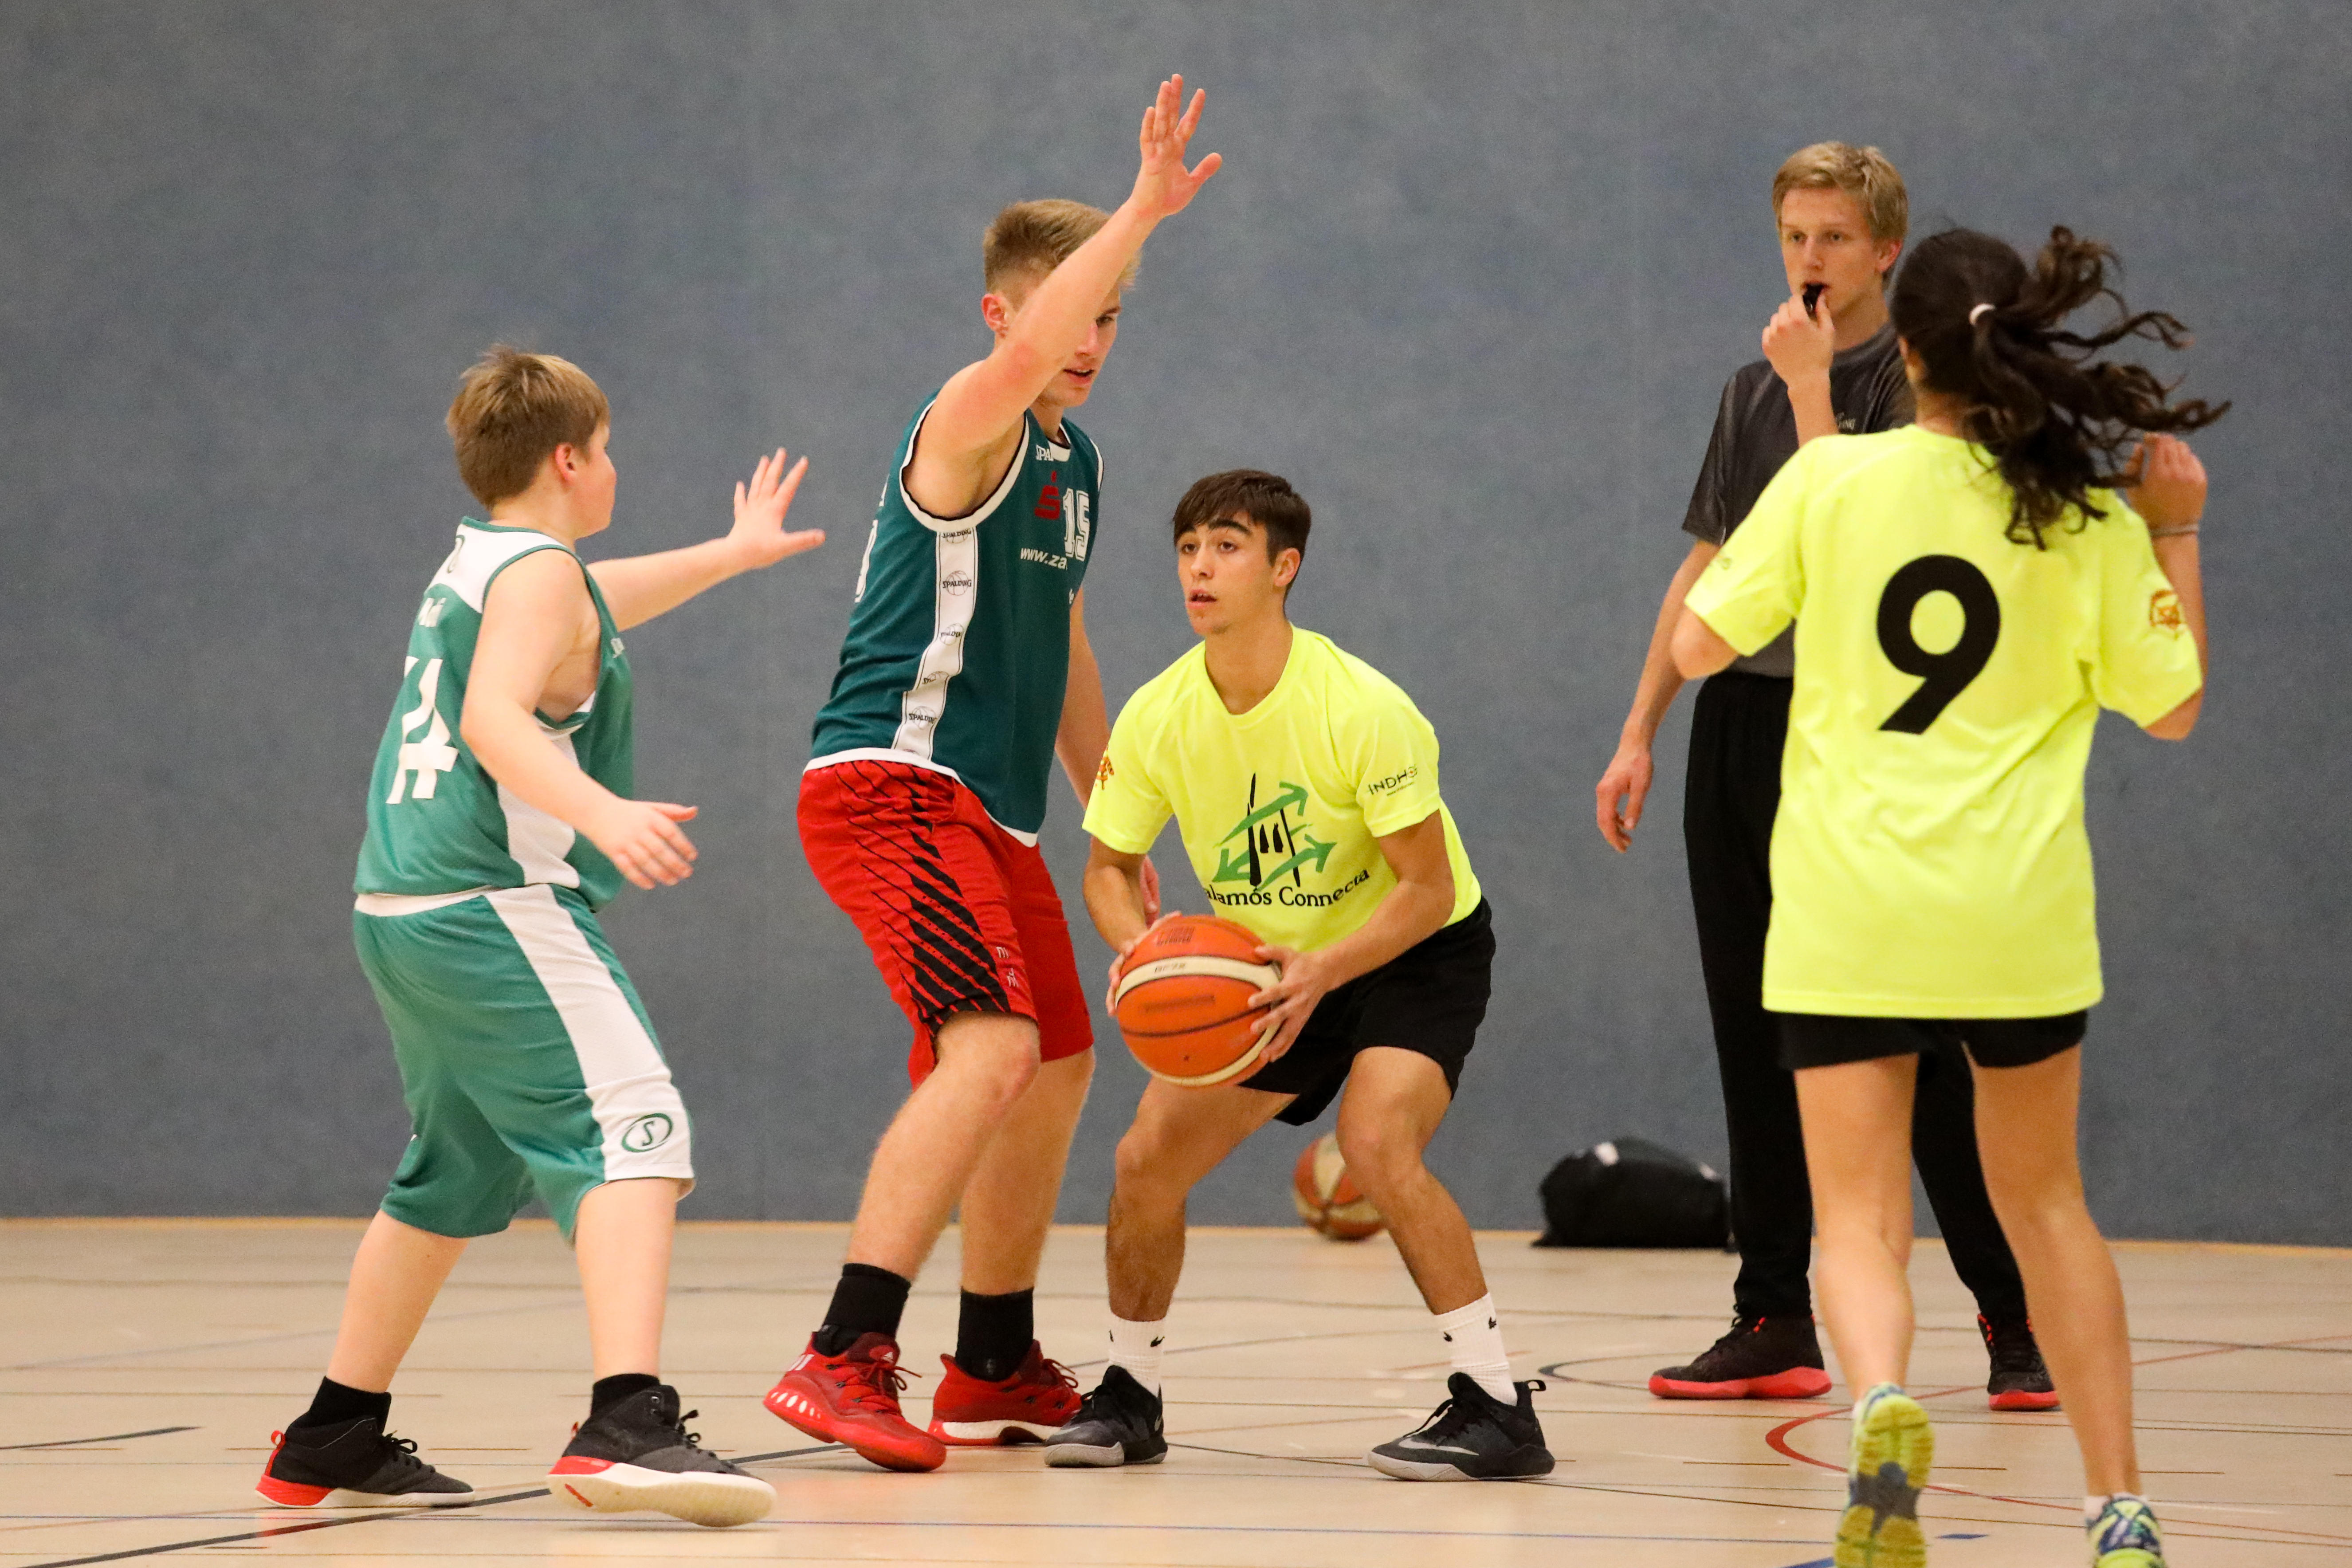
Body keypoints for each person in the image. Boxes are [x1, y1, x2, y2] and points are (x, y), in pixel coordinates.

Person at [1670, 226, 2218, 1568]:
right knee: (2049, 1207)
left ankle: (1883, 1422)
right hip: (2015, 910)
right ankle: (2121, 1512)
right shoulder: (2084, 516)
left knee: (1858, 1217)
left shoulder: (1829, 481)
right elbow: (2173, 708)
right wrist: (2178, 533)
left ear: (1901, 350)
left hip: (1848, 904)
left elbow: (1697, 643)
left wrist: (1806, 456)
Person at [257, 347, 825, 1528]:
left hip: (401, 908)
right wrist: (602, 810)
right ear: (568, 459)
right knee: (635, 1129)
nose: (615, 466)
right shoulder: (539, 576)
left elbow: (591, 605)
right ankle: (627, 1420)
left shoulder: (493, 560)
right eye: (606, 449)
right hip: (489, 902)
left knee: (453, 1170)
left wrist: (731, 554)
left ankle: (335, 1427)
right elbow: (493, 718)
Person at [765, 76, 1217, 1473]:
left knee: (1060, 1060)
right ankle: (842, 1354)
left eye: (1114, 317)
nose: (1092, 340)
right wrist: (1141, 211)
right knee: (994, 1049)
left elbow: (1063, 635)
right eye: (1073, 312)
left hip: (994, 817)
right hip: (892, 787)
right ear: (1002, 317)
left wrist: (1112, 811)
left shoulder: (1078, 465)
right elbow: (1025, 359)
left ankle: (991, 1359)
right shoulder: (968, 420)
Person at [1594, 143, 2055, 1409]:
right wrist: (1641, 726)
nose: (1810, 259)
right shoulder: (1753, 386)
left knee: (1912, 1039)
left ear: (1886, 251)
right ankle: (1772, 1312)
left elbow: (1853, 533)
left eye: (1836, 238)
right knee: (1751, 1030)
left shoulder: (1920, 385)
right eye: (1795, 235)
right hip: (1740, 726)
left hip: (1853, 734)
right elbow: (1710, 564)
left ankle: (2014, 1317)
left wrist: (1811, 388)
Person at [1045, 471, 1553, 1483]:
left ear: (1285, 568)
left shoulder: (1362, 707)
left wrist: (1327, 967)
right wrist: (1139, 948)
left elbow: (1426, 887)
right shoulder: (1157, 715)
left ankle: (1498, 1405)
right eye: (1188, 547)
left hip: (1411, 949)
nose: (1200, 566)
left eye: (1227, 545)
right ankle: (1131, 1393)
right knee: (1146, 1159)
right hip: (1269, 973)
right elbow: (1107, 868)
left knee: (1375, 1139)